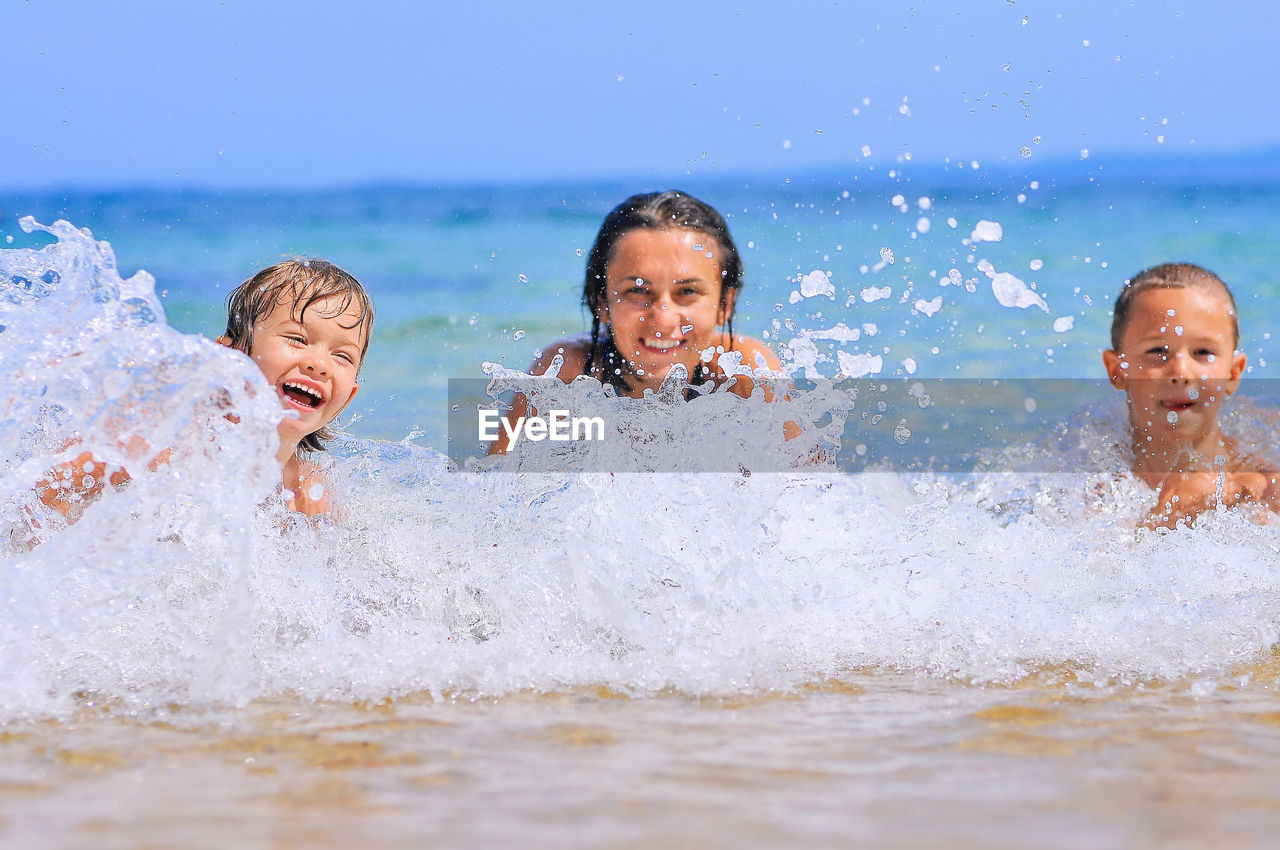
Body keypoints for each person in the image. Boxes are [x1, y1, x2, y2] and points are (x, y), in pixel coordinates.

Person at [37, 258, 372, 519]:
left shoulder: (308, 492)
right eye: (297, 339)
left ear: (346, 400)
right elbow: (42, 494)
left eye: (342, 356)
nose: (320, 364)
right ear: (233, 356)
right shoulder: (167, 445)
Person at [489, 190, 784, 454]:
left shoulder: (746, 378)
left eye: (688, 292)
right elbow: (496, 495)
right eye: (638, 291)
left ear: (724, 305)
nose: (663, 319)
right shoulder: (566, 377)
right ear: (602, 303)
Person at [1102, 262, 1278, 529]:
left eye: (1203, 352)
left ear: (1233, 372)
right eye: (1158, 351)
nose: (1181, 371)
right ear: (1118, 370)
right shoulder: (1093, 486)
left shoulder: (1261, 492)